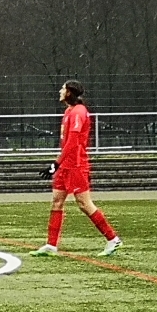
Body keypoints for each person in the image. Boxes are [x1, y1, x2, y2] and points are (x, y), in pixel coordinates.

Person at [34, 80, 120, 256]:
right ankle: (51, 245)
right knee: (57, 201)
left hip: (76, 165)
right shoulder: (69, 111)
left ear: (69, 93)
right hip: (65, 165)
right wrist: (60, 163)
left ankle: (113, 239)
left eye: (63, 88)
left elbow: (73, 142)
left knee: (84, 203)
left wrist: (56, 163)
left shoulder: (79, 112)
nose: (60, 91)